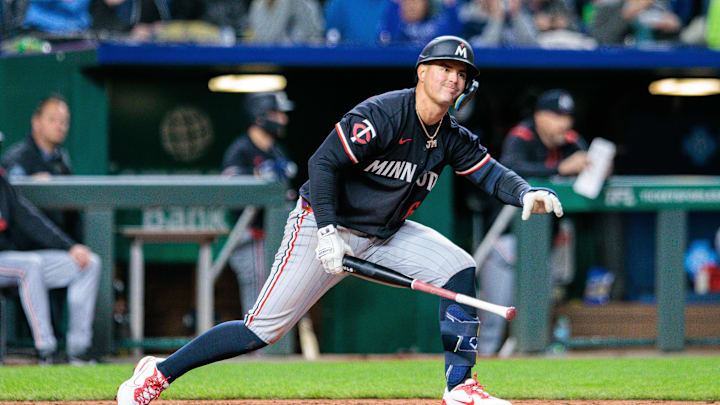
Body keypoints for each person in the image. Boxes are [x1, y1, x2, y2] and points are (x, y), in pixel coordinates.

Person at [115, 35, 563, 405]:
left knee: (459, 268)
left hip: (384, 233)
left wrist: (528, 191)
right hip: (323, 224)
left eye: (461, 73)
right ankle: (158, 372)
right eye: (445, 68)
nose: (453, 77)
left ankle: (461, 385)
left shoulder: (450, 136)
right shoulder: (385, 113)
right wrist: (326, 230)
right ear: (422, 71)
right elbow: (323, 163)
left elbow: (489, 173)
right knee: (261, 330)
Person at [477, 89, 588, 355]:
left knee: (536, 319)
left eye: (567, 116)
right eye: (556, 116)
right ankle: (474, 379)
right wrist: (560, 170)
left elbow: (587, 167)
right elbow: (510, 167)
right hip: (506, 239)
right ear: (539, 116)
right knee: (493, 318)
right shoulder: (522, 136)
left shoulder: (571, 141)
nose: (563, 123)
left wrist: (596, 167)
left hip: (546, 245)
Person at [0, 168, 101, 364]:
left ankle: (78, 351)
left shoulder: (2, 182)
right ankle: (45, 350)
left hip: (10, 259)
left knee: (88, 264)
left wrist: (69, 247)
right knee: (30, 265)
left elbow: (29, 219)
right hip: (12, 261)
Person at [221, 91, 297, 318]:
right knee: (258, 291)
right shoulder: (240, 150)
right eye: (277, 114)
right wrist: (256, 177)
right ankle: (257, 350)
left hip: (273, 235)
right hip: (247, 235)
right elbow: (229, 190)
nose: (282, 119)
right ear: (260, 116)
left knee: (275, 291)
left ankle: (267, 348)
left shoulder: (277, 151)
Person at [2, 94, 82, 242]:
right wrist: (29, 182)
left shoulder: (62, 159)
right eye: (52, 120)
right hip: (27, 244)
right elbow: (11, 200)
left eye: (64, 121)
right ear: (36, 122)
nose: (60, 126)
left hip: (59, 242)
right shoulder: (18, 157)